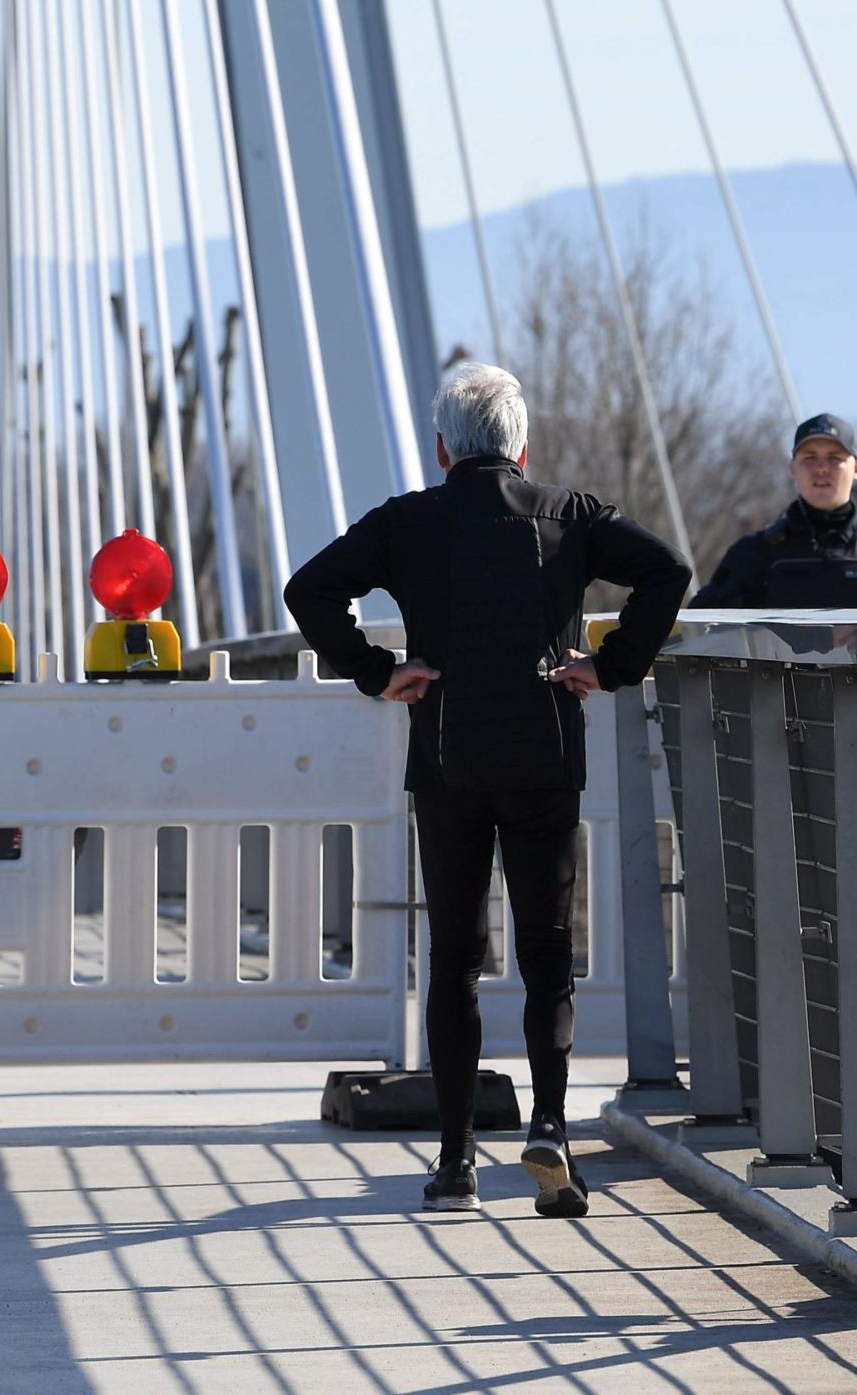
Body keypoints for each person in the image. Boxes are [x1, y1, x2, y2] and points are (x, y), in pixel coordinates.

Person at [284, 362, 690, 1218]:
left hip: (448, 757)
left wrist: (379, 672)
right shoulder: (568, 515)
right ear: (522, 445)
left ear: (442, 447)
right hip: (545, 753)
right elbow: (668, 571)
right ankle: (550, 1128)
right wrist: (609, 667)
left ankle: (456, 1162)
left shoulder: (407, 522)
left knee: (455, 960)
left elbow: (309, 590)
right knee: (546, 952)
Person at [693, 413, 857, 610]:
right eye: (810, 458)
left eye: (835, 458)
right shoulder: (754, 553)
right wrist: (764, 604)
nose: (822, 469)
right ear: (793, 468)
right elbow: (698, 623)